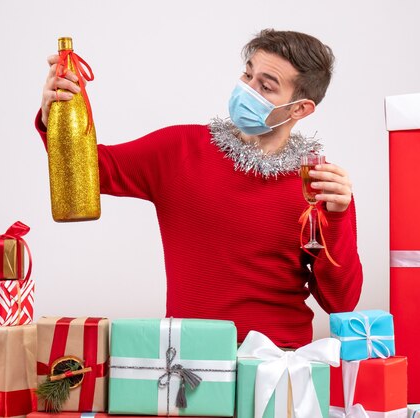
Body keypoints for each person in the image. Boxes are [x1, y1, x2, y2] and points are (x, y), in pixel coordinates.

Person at [35, 29, 362, 348]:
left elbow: (340, 303)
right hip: (188, 363)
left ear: (299, 108)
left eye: (266, 86)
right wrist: (57, 119)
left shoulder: (317, 187)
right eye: (248, 76)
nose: (247, 90)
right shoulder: (181, 150)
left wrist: (337, 219)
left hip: (277, 366)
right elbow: (90, 171)